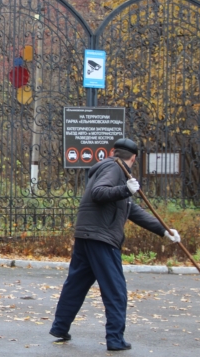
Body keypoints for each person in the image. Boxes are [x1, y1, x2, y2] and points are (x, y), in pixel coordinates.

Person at [49, 138, 181, 351]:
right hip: (102, 238)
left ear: (113, 151)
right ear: (134, 158)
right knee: (115, 290)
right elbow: (99, 193)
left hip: (87, 236)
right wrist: (125, 190)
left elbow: (132, 210)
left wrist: (164, 230)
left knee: (76, 285)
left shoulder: (110, 169)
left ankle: (60, 327)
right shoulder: (115, 168)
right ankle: (115, 339)